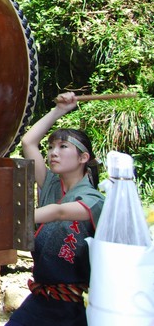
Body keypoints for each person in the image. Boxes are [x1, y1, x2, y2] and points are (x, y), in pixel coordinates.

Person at [6, 92, 104, 326]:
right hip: (40, 300)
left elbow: (58, 212)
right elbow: (28, 142)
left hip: (69, 307)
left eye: (62, 146)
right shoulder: (50, 184)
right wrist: (59, 110)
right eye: (50, 147)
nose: (52, 153)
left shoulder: (94, 199)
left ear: (83, 157)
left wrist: (8, 220)